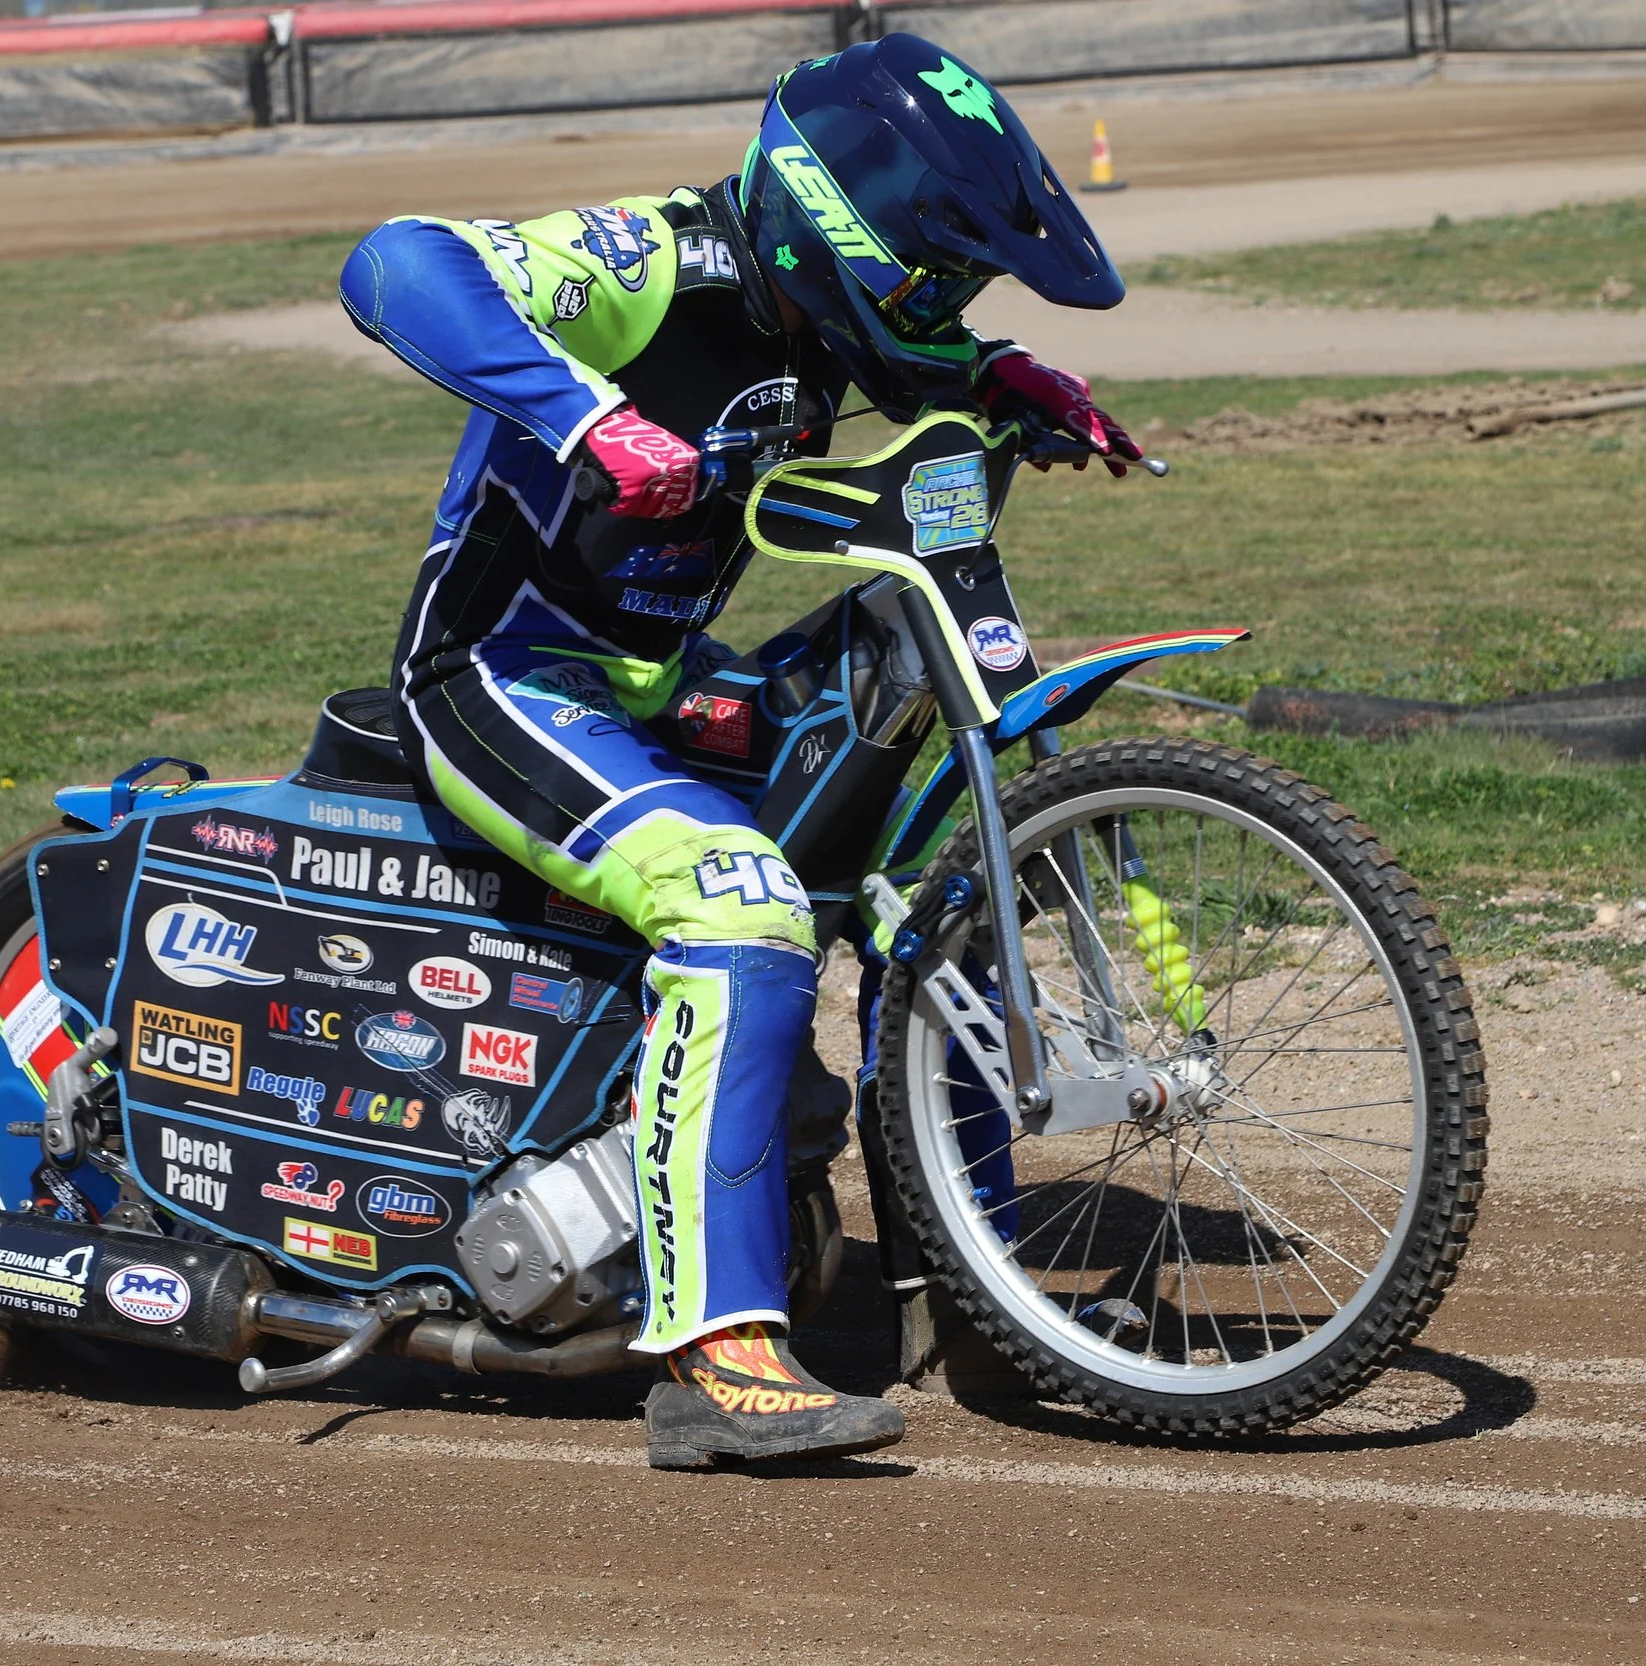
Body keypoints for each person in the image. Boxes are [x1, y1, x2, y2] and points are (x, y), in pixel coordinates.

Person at [337, 31, 1141, 1469]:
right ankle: (716, 1357)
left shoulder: (813, 322)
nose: (942, 307)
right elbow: (395, 265)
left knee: (908, 816)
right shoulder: (654, 261)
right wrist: (586, 414)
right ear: (840, 230)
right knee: (740, 896)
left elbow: (930, 364)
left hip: (653, 682)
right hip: (500, 680)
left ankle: (965, 1283)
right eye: (932, 275)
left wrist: (1017, 379)